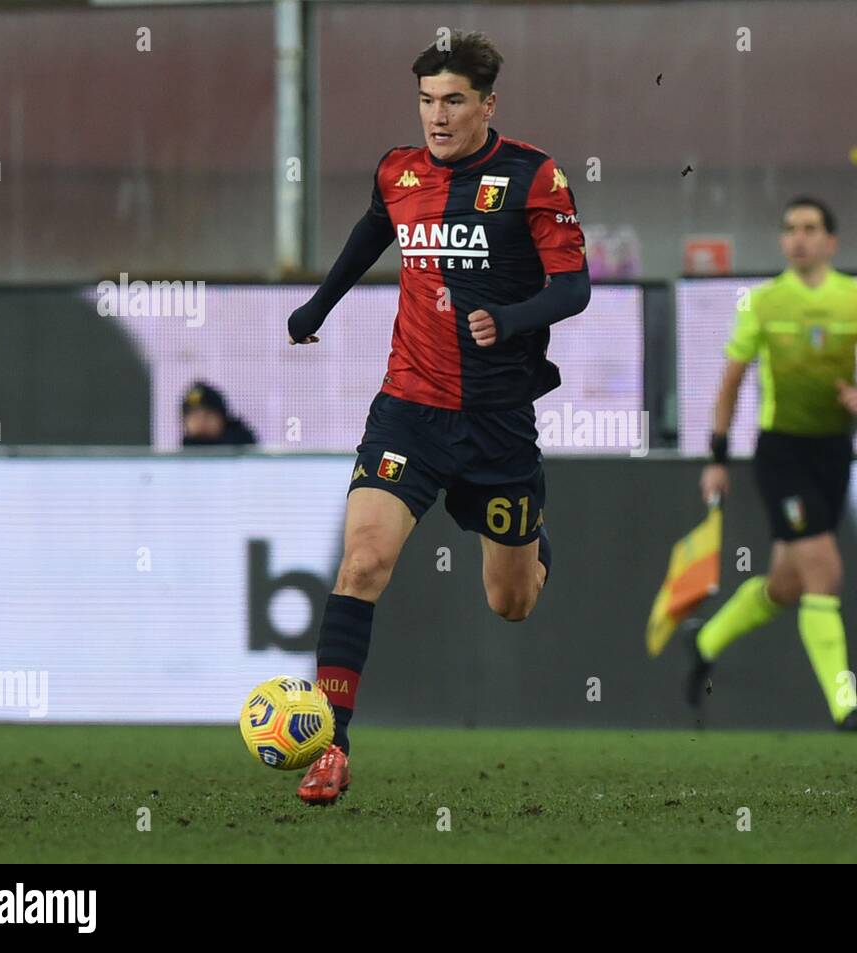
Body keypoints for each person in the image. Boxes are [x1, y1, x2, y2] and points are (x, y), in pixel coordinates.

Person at [285, 31, 589, 804]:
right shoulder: (399, 170)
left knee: (510, 602)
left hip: (496, 424)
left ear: (488, 102)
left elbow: (574, 287)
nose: (437, 116)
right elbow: (373, 229)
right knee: (360, 563)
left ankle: (527, 535)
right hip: (408, 411)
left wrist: (511, 318)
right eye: (426, 100)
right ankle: (331, 747)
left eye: (454, 100)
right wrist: (318, 304)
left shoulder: (534, 177)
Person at [689, 197, 857, 731]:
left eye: (809, 228)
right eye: (790, 229)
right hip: (782, 453)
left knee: (786, 585)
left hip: (833, 452)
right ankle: (844, 707)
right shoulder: (763, 303)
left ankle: (707, 638)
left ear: (830, 241)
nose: (798, 238)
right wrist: (717, 456)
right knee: (824, 572)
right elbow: (732, 382)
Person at [180, 382, 257, 447]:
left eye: (208, 415)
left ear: (222, 418)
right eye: (195, 416)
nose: (201, 421)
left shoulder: (242, 443)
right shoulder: (188, 448)